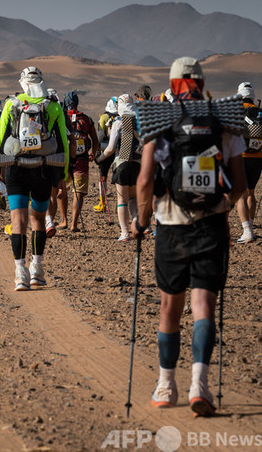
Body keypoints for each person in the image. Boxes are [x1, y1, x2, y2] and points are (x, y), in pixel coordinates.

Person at [131, 57, 247, 417]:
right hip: (211, 224)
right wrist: (220, 210)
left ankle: (166, 385)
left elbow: (146, 180)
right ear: (201, 81)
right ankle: (201, 385)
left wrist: (141, 220)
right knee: (204, 307)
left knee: (170, 307)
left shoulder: (159, 119)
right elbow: (240, 185)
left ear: (172, 82)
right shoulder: (224, 121)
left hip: (171, 222)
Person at [0, 67, 69, 290]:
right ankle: (37, 268)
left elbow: (0, 138)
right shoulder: (53, 105)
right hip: (43, 171)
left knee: (18, 222)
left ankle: (20, 272)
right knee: (37, 220)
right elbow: (62, 141)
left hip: (15, 170)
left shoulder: (11, 104)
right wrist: (62, 175)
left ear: (23, 83)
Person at [97, 93, 141, 241]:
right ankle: (136, 221)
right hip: (138, 165)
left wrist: (99, 159)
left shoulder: (118, 123)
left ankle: (124, 233)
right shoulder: (140, 122)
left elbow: (110, 149)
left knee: (122, 200)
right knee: (134, 198)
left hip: (121, 165)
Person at [59, 91, 99, 231]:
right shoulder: (86, 119)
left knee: (61, 188)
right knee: (79, 192)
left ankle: (63, 220)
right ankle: (74, 224)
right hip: (81, 160)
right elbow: (95, 140)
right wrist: (92, 153)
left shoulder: (62, 118)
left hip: (64, 160)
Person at [236, 82, 261, 243]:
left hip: (241, 157)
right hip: (258, 158)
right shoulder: (259, 112)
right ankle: (250, 225)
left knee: (240, 195)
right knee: (251, 192)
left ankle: (247, 231)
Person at [93, 97, 118, 213]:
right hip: (119, 151)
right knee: (118, 179)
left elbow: (99, 137)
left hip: (106, 151)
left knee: (103, 177)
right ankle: (120, 205)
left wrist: (96, 153)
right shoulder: (121, 117)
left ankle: (102, 203)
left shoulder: (104, 118)